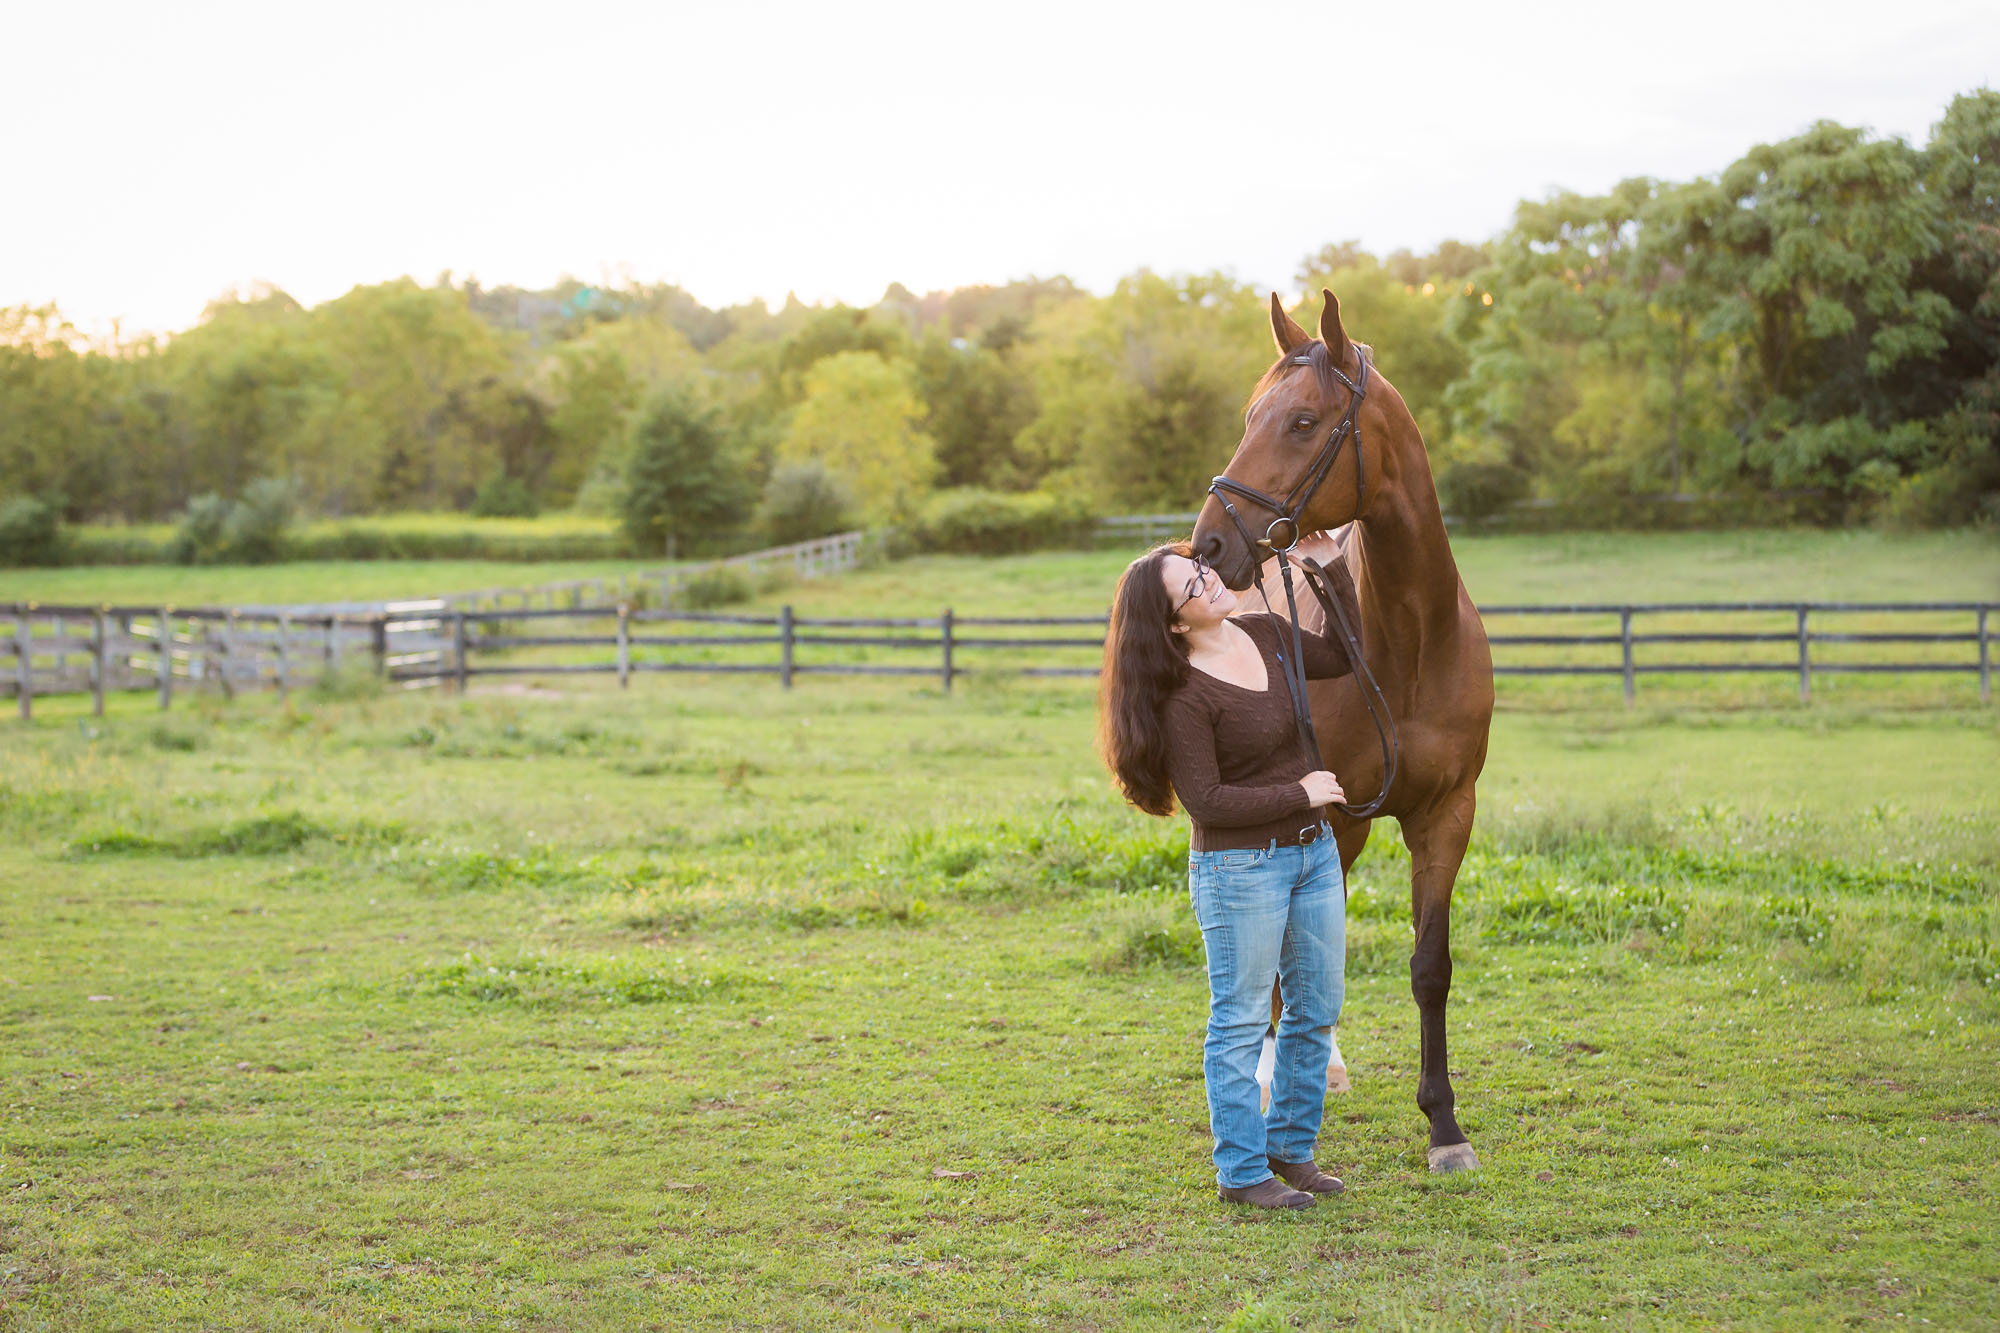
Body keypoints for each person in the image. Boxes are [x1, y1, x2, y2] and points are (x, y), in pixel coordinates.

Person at [1098, 541, 1357, 1210]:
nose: (1211, 581)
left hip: (1314, 855)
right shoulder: (1182, 693)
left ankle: (1288, 1150)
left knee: (1316, 1008)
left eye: (1203, 569)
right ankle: (1241, 1172)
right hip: (1241, 868)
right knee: (1241, 1020)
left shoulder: (1268, 633)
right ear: (1176, 624)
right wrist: (1301, 793)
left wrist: (1328, 569)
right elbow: (1208, 801)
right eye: (1192, 587)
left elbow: (1345, 653)